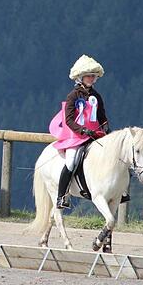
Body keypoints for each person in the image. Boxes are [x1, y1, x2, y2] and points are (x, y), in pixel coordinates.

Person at [49, 55, 109, 209]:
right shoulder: (73, 96)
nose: (92, 78)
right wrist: (82, 130)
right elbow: (68, 120)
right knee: (71, 161)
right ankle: (61, 196)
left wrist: (105, 126)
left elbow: (102, 117)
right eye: (89, 76)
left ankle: (118, 192)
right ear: (81, 77)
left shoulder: (96, 96)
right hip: (76, 136)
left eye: (93, 76)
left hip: (94, 135)